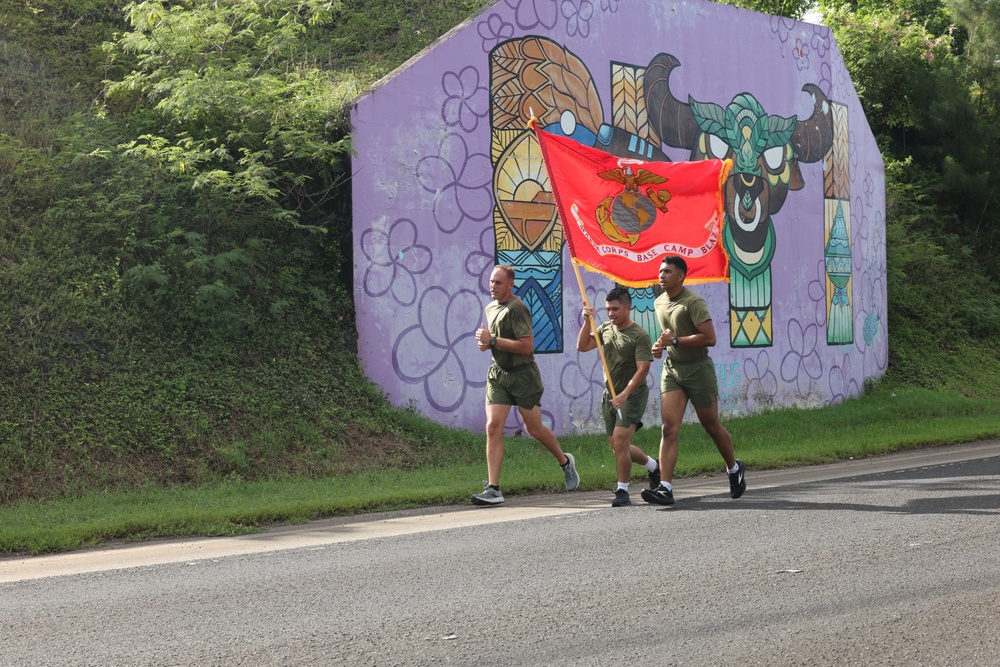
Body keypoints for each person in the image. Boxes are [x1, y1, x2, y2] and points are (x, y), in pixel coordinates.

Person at [641, 255, 746, 506]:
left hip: (699, 370)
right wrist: (660, 347)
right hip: (673, 370)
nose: (661, 275)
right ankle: (665, 487)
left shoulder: (693, 302)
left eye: (667, 271)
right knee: (669, 428)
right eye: (660, 271)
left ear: (681, 276)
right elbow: (668, 337)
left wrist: (675, 340)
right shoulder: (658, 302)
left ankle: (734, 468)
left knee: (710, 425)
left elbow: (709, 338)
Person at [471, 264, 580, 506]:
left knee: (534, 429)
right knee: (492, 427)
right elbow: (495, 342)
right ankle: (493, 488)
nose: (493, 286)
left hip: (523, 376)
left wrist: (494, 340)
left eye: (498, 282)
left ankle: (564, 461)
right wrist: (486, 344)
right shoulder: (490, 308)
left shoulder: (518, 308)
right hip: (499, 375)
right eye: (491, 281)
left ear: (510, 284)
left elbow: (527, 346)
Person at [576, 286, 661, 507]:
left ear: (627, 308)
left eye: (615, 309)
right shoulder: (604, 329)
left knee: (621, 442)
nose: (611, 314)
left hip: (632, 395)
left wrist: (625, 394)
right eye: (608, 310)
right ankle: (654, 467)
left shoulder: (639, 335)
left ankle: (622, 491)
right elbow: (582, 346)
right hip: (610, 396)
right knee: (616, 446)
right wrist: (587, 322)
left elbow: (643, 369)